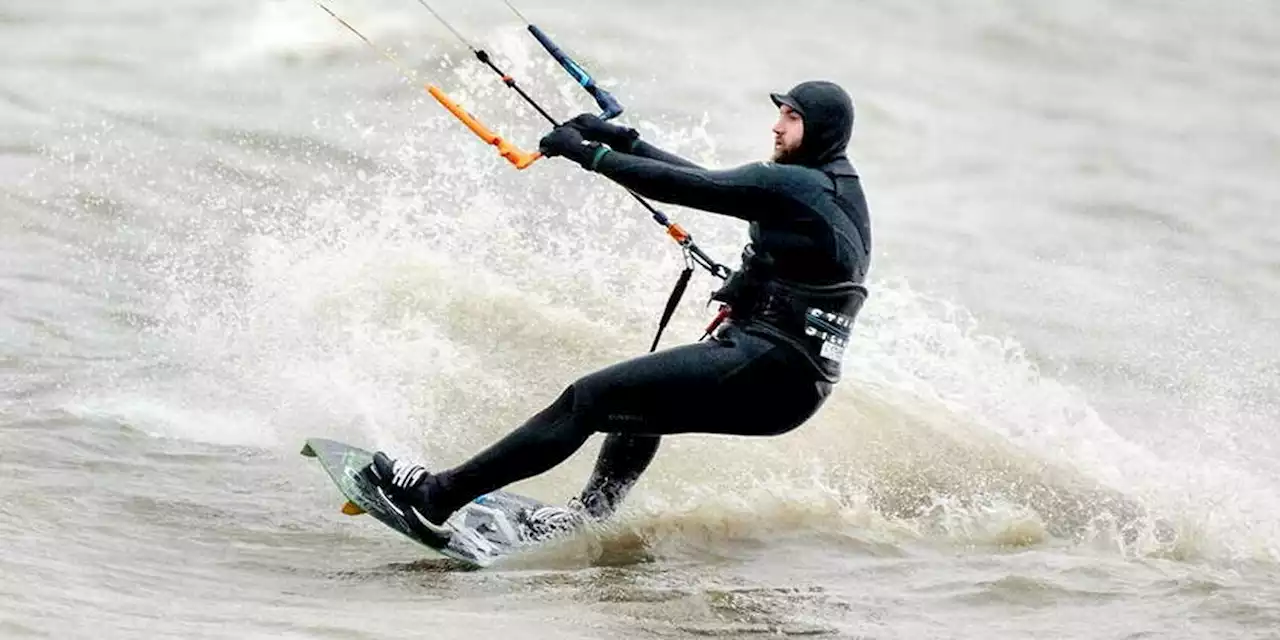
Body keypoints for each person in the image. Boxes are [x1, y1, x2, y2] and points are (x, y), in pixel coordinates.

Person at [366, 80, 873, 544]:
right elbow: (708, 180)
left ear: (821, 129)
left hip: (772, 367)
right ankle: (588, 519)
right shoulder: (829, 183)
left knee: (589, 398)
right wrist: (625, 142)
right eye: (780, 112)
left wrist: (592, 154)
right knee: (637, 407)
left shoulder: (800, 185)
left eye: (792, 117)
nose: (777, 125)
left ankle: (437, 497)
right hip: (790, 380)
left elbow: (692, 189)